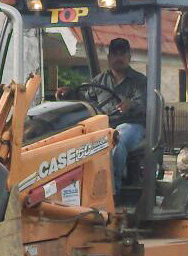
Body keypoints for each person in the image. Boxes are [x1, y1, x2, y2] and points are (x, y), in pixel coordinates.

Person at [57, 38, 148, 192]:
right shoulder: (99, 81)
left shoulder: (140, 81)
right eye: (115, 54)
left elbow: (145, 103)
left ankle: (113, 191)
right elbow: (85, 98)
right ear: (109, 57)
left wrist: (131, 104)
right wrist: (69, 93)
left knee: (116, 141)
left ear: (129, 57)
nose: (119, 58)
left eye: (122, 54)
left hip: (132, 125)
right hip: (103, 125)